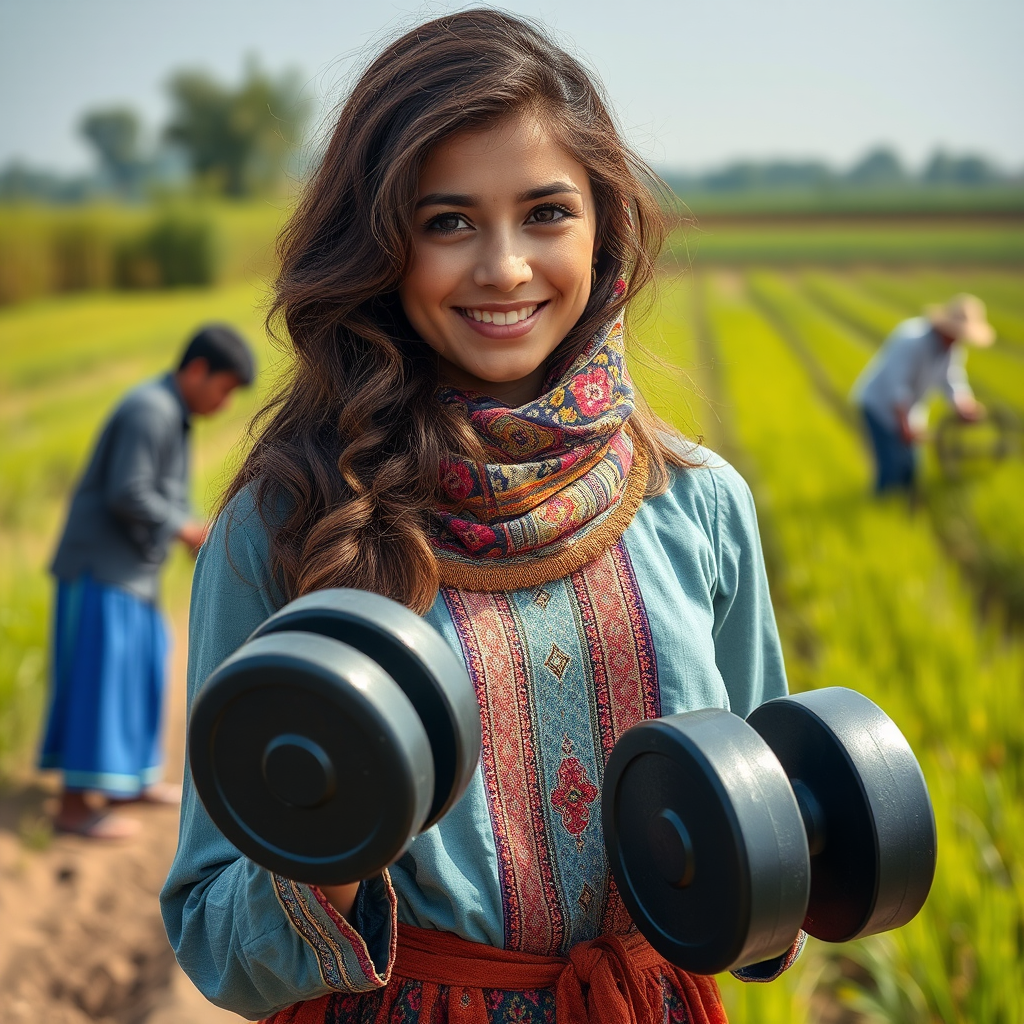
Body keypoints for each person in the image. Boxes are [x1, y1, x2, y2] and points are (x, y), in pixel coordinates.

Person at [161, 12, 801, 1022]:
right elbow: (213, 936)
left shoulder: (699, 505)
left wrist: (795, 861)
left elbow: (770, 841)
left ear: (604, 227)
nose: (503, 267)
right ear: (378, 245)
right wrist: (327, 851)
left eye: (545, 212)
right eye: (448, 221)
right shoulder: (283, 528)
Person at [40, 324, 254, 839]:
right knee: (99, 683)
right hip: (101, 570)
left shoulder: (170, 414)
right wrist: (183, 530)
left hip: (132, 573)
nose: (223, 404)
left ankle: (126, 783)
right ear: (196, 370)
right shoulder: (149, 411)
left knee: (141, 672)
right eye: (223, 390)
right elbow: (128, 492)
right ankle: (73, 808)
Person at [851, 293, 995, 493]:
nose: (959, 339)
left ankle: (902, 506)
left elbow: (951, 380)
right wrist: (903, 424)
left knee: (910, 469)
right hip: (880, 406)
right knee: (891, 467)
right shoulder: (912, 339)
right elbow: (896, 385)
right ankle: (882, 500)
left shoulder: (952, 348)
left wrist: (963, 405)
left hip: (910, 411)